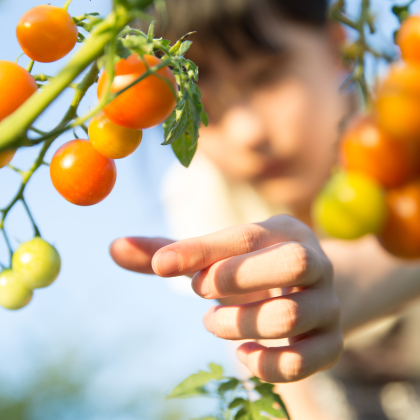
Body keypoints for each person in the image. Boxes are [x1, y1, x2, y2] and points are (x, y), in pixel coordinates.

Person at [110, 0, 420, 418]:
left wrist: (322, 285)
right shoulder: (204, 190)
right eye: (206, 107)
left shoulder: (402, 123)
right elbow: (282, 382)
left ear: (336, 47)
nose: (247, 133)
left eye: (267, 77)